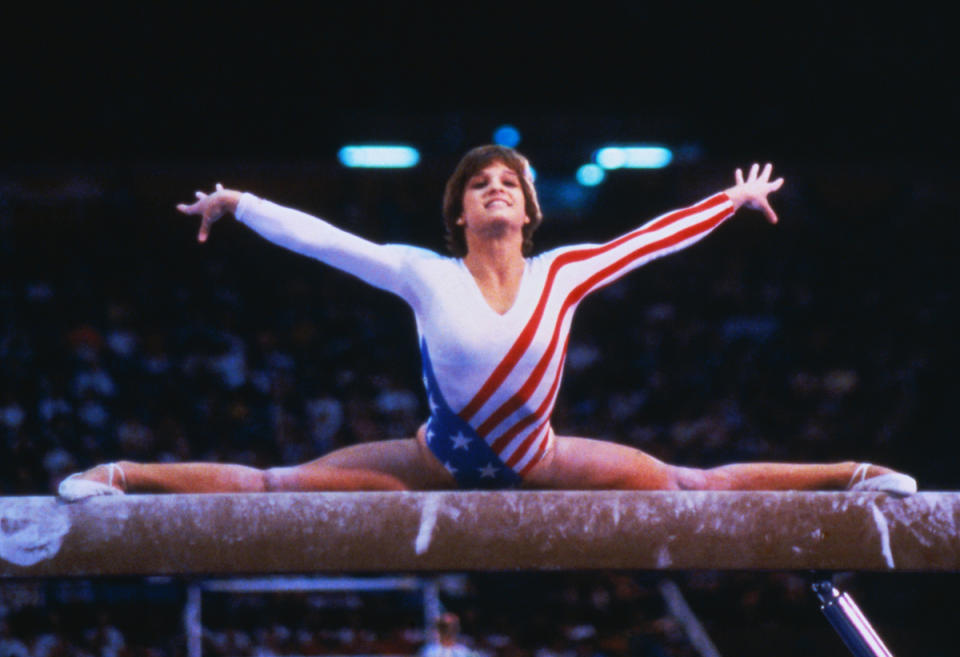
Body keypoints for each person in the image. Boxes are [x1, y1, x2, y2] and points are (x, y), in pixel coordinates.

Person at [58, 145, 916, 499]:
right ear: (461, 215)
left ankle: (854, 476)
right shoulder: (422, 273)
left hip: (543, 458)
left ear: (531, 209)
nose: (495, 186)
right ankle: (122, 477)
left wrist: (733, 201)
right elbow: (327, 241)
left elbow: (651, 239)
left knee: (690, 485)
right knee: (278, 486)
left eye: (509, 180)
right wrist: (241, 203)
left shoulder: (565, 271)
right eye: (479, 184)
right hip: (431, 457)